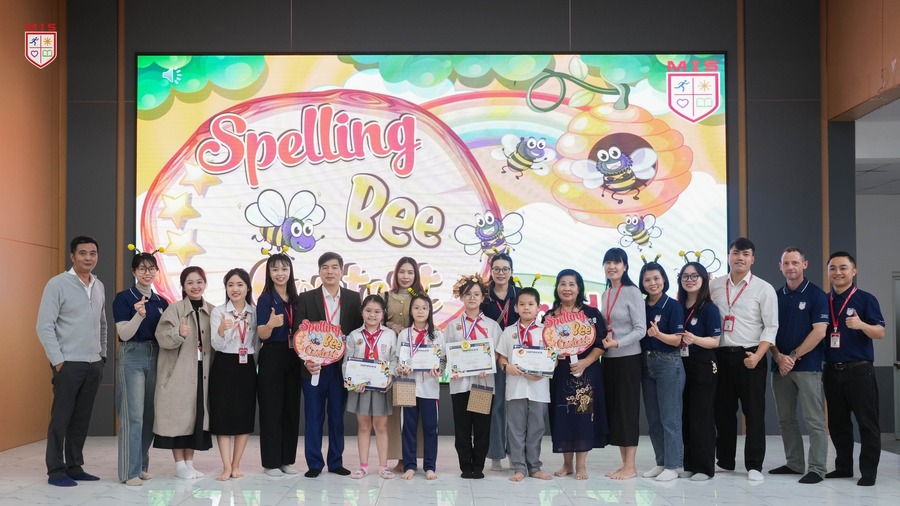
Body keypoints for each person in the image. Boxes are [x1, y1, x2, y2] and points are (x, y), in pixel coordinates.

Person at [37, 236, 108, 487]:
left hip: (93, 364)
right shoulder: (57, 284)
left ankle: (75, 466)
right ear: (72, 256)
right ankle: (56, 470)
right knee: (61, 418)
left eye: (93, 253)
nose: (88, 258)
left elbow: (102, 323)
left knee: (81, 418)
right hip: (68, 364)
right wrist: (58, 360)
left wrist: (102, 355)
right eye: (82, 253)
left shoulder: (98, 285)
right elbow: (44, 326)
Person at [709, 237, 777, 481]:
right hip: (721, 356)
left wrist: (758, 356)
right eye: (736, 253)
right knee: (723, 412)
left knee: (754, 413)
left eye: (745, 254)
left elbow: (771, 327)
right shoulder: (715, 285)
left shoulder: (764, 288)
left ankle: (754, 465)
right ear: (729, 256)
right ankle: (725, 461)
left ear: (752, 259)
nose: (740, 258)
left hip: (751, 356)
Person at [296, 251, 362, 477]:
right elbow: (299, 333)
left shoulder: (353, 298)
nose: (330, 271)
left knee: (336, 417)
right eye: (325, 267)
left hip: (340, 369)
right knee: (313, 416)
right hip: (314, 368)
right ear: (319, 271)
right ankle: (314, 463)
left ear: (341, 271)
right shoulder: (307, 298)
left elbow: (359, 332)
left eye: (334, 267)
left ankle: (335, 461)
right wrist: (307, 361)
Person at [823, 251, 885, 487]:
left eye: (843, 268)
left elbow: (880, 332)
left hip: (859, 371)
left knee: (867, 423)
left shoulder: (866, 299)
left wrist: (861, 325)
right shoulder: (824, 300)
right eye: (833, 268)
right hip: (831, 370)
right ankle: (843, 467)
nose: (838, 272)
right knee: (837, 423)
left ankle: (868, 472)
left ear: (854, 271)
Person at [768, 248, 829, 484]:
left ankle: (817, 468)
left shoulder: (816, 295)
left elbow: (819, 331)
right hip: (779, 367)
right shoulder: (775, 296)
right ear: (780, 267)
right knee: (785, 419)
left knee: (814, 419)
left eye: (795, 262)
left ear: (805, 264)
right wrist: (778, 357)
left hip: (807, 367)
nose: (790, 267)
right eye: (786, 263)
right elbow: (768, 331)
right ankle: (794, 463)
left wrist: (791, 357)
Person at [543, 269, 608, 480]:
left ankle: (581, 466)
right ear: (557, 288)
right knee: (562, 416)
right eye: (563, 284)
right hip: (560, 374)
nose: (567, 288)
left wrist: (585, 362)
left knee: (582, 417)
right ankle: (567, 465)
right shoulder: (549, 316)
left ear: (579, 288)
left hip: (585, 373)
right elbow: (544, 347)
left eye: (572, 284)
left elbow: (601, 344)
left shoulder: (591, 314)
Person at [113, 247, 169, 486]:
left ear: (157, 271)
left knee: (149, 417)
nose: (148, 272)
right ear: (133, 271)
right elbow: (124, 334)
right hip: (132, 355)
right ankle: (129, 471)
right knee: (133, 416)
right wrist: (139, 315)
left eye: (151, 268)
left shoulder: (162, 301)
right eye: (142, 268)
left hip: (156, 356)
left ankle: (141, 465)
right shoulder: (124, 298)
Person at [154, 266, 214, 479]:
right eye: (190, 282)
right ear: (183, 286)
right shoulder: (175, 309)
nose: (195, 286)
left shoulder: (212, 310)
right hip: (179, 373)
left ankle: (189, 464)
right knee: (178, 419)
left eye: (199, 282)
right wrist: (177, 332)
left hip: (202, 372)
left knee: (195, 419)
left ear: (205, 284)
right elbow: (161, 337)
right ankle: (179, 465)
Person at [445, 275, 502, 479]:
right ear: (461, 297)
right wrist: (453, 366)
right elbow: (447, 353)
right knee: (462, 428)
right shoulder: (453, 325)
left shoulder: (491, 326)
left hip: (482, 383)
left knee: (481, 427)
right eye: (468, 294)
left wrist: (489, 363)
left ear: (482, 298)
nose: (472, 297)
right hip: (460, 384)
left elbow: (498, 352)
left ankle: (478, 466)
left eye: (476, 294)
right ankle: (465, 466)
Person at [496, 287, 552, 482]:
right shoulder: (509, 332)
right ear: (516, 308)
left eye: (530, 304)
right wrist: (507, 367)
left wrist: (542, 372)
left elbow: (553, 359)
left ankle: (534, 467)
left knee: (537, 428)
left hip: (539, 388)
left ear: (538, 308)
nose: (526, 308)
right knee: (515, 428)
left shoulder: (546, 332)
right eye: (522, 304)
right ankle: (519, 467)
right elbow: (501, 357)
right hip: (515, 388)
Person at [599, 247, 646, 480]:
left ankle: (631, 466)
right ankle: (624, 464)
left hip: (628, 359)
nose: (612, 267)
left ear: (625, 266)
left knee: (627, 411)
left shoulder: (632, 292)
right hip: (609, 360)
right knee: (616, 413)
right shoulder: (606, 293)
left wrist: (618, 343)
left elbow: (640, 329)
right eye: (608, 262)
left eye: (617, 262)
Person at [255, 253, 302, 476]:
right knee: (271, 410)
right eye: (275, 269)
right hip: (272, 355)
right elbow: (262, 334)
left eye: (284, 269)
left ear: (290, 271)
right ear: (269, 273)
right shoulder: (266, 299)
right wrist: (271, 324)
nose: (280, 274)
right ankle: (271, 463)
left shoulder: (296, 299)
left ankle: (286, 460)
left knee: (291, 409)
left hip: (294, 356)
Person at [209, 268, 258, 481]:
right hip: (223, 364)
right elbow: (216, 345)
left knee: (244, 415)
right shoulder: (218, 312)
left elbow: (257, 343)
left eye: (239, 284)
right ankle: (226, 466)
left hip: (246, 366)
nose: (235, 289)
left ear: (247, 287)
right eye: (230, 285)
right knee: (222, 415)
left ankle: (237, 464)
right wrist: (222, 330)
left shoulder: (254, 312)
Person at [638, 262, 685, 482]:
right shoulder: (641, 305)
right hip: (645, 363)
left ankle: (674, 465)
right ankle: (661, 462)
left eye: (656, 278)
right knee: (654, 419)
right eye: (647, 280)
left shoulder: (673, 306)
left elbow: (677, 340)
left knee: (670, 417)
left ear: (664, 279)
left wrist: (658, 335)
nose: (652, 283)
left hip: (668, 363)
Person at [344, 294, 398, 480]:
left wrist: (390, 376)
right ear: (362, 312)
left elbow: (394, 359)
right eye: (368, 311)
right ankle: (363, 466)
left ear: (383, 314)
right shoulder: (354, 335)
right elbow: (347, 362)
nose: (372, 315)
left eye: (377, 311)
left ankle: (383, 466)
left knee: (381, 427)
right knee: (363, 426)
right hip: (361, 388)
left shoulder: (390, 335)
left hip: (382, 387)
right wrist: (352, 382)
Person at [676, 261, 721, 481]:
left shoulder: (709, 308)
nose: (690, 280)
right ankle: (689, 464)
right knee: (685, 415)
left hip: (703, 364)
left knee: (700, 416)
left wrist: (695, 339)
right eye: (685, 276)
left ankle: (704, 468)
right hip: (681, 364)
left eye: (694, 276)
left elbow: (715, 341)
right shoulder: (678, 306)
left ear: (703, 279)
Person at [381, 256, 424, 473]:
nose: (405, 276)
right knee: (395, 412)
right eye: (402, 272)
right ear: (395, 273)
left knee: (414, 412)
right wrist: (391, 326)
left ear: (416, 275)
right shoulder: (385, 296)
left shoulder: (421, 297)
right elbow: (376, 321)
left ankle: (412, 457)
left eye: (410, 272)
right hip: (392, 359)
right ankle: (399, 457)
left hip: (417, 362)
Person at [396, 293, 445, 480]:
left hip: (429, 387)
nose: (420, 311)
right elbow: (397, 359)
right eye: (416, 308)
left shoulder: (437, 335)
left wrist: (439, 369)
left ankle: (430, 466)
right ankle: (410, 465)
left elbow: (443, 360)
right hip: (408, 385)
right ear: (411, 311)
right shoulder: (404, 334)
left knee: (431, 427)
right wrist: (400, 367)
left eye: (424, 308)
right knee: (408, 427)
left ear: (430, 311)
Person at [481, 253, 518, 472]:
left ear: (511, 271)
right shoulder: (483, 297)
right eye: (496, 269)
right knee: (494, 407)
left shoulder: (519, 295)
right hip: (490, 359)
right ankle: (495, 454)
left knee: (514, 406)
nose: (501, 273)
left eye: (505, 269)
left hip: (516, 359)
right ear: (491, 271)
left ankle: (515, 454)